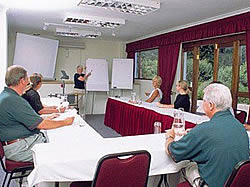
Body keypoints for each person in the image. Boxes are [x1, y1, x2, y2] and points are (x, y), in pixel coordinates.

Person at [165, 83, 249, 187]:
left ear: (211, 105)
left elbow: (173, 151)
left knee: (186, 166)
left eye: (203, 101)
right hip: (237, 182)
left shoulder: (204, 129)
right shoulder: (240, 127)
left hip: (214, 183)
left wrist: (170, 137)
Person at [0, 65, 75, 162]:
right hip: (20, 148)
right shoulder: (13, 100)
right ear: (22, 80)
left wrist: (46, 119)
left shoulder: (6, 95)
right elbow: (41, 125)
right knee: (61, 151)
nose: (29, 82)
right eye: (27, 79)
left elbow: (29, 120)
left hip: (18, 144)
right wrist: (65, 122)